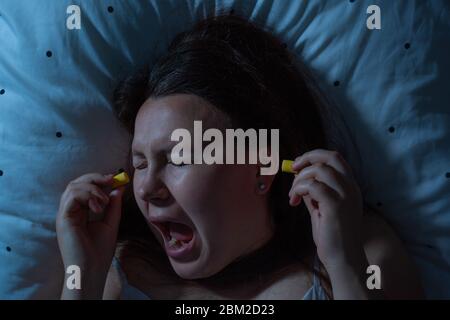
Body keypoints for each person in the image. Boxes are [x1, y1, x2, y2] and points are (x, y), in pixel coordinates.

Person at [56, 13, 424, 300]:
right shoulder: (113, 272)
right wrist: (81, 279)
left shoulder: (363, 254)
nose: (148, 187)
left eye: (180, 157)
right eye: (139, 164)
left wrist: (345, 268)